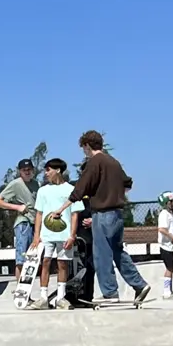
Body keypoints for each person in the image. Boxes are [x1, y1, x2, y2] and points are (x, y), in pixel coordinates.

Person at [50, 130, 151, 304]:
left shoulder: (94, 162)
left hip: (103, 214)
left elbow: (80, 189)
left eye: (84, 149)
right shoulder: (114, 162)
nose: (84, 152)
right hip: (118, 214)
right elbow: (128, 183)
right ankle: (139, 285)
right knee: (117, 252)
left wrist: (60, 209)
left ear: (87, 146)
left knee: (101, 254)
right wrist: (113, 191)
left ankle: (110, 293)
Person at [27, 158, 83, 309]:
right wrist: (36, 235)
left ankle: (61, 298)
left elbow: (75, 214)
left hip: (64, 235)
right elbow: (39, 213)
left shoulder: (71, 189)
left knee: (62, 264)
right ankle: (43, 298)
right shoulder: (43, 190)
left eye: (48, 170)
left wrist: (72, 235)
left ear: (58, 170)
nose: (46, 173)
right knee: (45, 263)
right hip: (46, 236)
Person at [0, 159, 40, 281]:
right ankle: (20, 286)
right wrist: (17, 207)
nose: (27, 172)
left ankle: (28, 287)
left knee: (33, 258)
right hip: (23, 222)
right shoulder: (15, 184)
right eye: (24, 170)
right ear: (20, 171)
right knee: (22, 256)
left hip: (36, 224)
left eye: (29, 169)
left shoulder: (37, 184)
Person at [154, 191, 173, 299]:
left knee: (172, 267)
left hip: (172, 246)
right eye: (172, 201)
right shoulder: (164, 214)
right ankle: (166, 291)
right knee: (169, 268)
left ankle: (169, 290)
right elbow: (162, 229)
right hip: (166, 246)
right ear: (167, 202)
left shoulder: (170, 214)